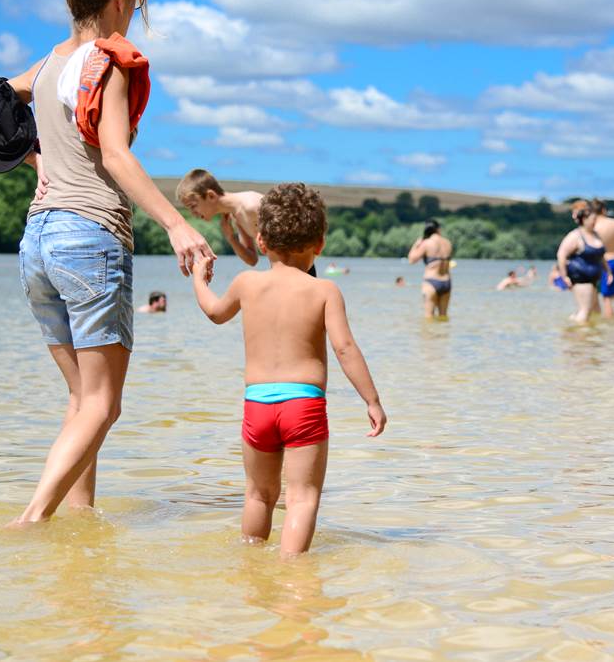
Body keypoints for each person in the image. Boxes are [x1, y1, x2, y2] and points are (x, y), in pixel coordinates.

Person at [0, 0, 215, 526]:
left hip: (38, 241)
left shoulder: (47, 64)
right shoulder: (110, 60)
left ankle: (79, 524)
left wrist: (36, 159)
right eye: (138, 2)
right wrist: (177, 224)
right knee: (103, 404)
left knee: (82, 402)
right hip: (90, 236)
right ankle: (32, 520)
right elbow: (115, 155)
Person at [191, 183, 387, 556]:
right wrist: (372, 400)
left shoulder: (246, 283)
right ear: (320, 245)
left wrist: (199, 279)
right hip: (303, 405)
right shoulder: (325, 290)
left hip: (257, 404)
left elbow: (215, 313)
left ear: (261, 241)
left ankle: (251, 566)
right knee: (302, 497)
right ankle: (293, 574)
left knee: (258, 495)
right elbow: (345, 348)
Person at [176, 169, 264, 267]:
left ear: (211, 196)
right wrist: (230, 237)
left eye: (193, 206)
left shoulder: (252, 206)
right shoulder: (237, 215)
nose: (193, 213)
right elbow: (252, 260)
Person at [557, 200, 611, 323]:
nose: (595, 222)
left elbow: (601, 256)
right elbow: (561, 255)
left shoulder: (596, 235)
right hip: (580, 278)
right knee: (585, 311)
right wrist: (564, 276)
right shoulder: (575, 236)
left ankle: (580, 332)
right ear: (584, 219)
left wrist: (608, 271)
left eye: (596, 220)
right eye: (593, 220)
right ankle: (579, 334)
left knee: (595, 311)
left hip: (594, 279)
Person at [407, 219, 453, 319]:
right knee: (443, 316)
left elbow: (411, 260)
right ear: (438, 229)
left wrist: (416, 244)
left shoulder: (427, 243)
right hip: (446, 282)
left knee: (429, 317)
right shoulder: (447, 243)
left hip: (431, 281)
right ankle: (444, 330)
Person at [591, 199, 614, 317]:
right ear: (603, 210)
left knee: (606, 297)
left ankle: (609, 325)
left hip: (606, 262)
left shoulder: (594, 226)